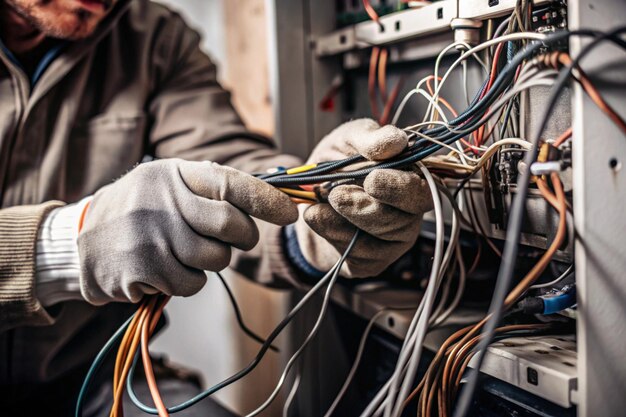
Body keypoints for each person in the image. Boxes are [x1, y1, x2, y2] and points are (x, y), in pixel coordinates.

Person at [0, 0, 431, 415]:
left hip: (99, 379)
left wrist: (315, 218)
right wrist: (62, 246)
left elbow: (226, 167)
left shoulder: (152, 36)